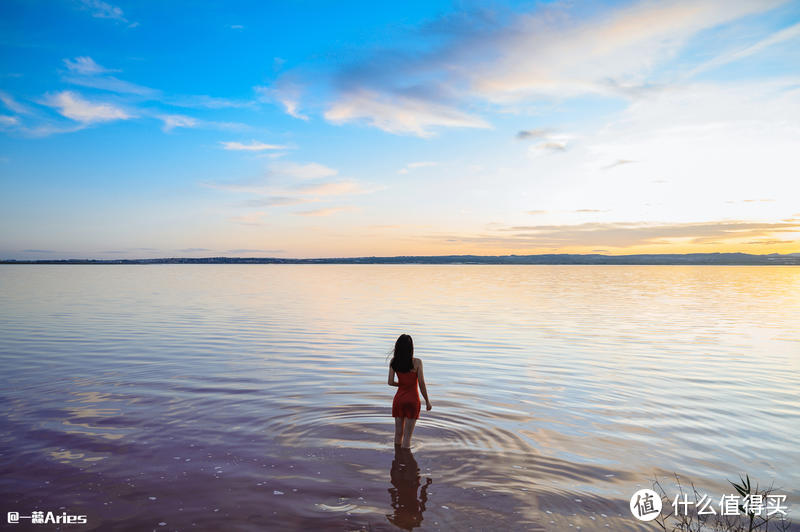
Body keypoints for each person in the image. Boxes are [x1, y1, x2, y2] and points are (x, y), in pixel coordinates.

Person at [388, 334, 431, 448]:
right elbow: (421, 383)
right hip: (412, 401)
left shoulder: (394, 361)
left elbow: (390, 382)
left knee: (398, 434)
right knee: (407, 437)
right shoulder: (417, 362)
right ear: (411, 348)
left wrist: (401, 384)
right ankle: (405, 462)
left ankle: (397, 461)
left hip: (399, 400)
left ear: (397, 347)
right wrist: (427, 401)